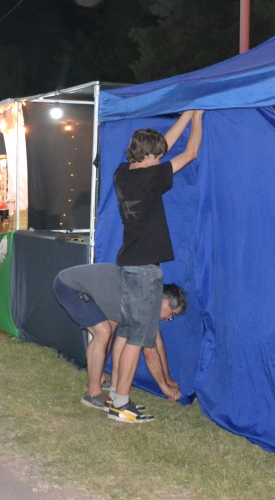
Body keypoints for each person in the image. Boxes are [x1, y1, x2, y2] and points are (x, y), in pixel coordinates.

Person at [108, 110, 203, 424]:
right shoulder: (150, 178)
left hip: (127, 264)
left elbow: (164, 146)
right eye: (157, 156)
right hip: (144, 269)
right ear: (148, 157)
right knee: (138, 338)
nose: (161, 159)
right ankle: (121, 404)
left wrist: (187, 113)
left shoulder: (123, 172)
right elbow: (190, 152)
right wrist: (198, 118)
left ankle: (115, 396)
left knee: (127, 333)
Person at [53, 264, 186, 411]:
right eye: (171, 315)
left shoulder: (148, 297)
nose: (168, 319)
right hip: (68, 286)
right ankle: (93, 394)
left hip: (87, 289)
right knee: (103, 332)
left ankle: (100, 378)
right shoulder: (145, 303)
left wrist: (167, 380)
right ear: (165, 303)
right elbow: (150, 352)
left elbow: (156, 341)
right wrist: (165, 388)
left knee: (110, 328)